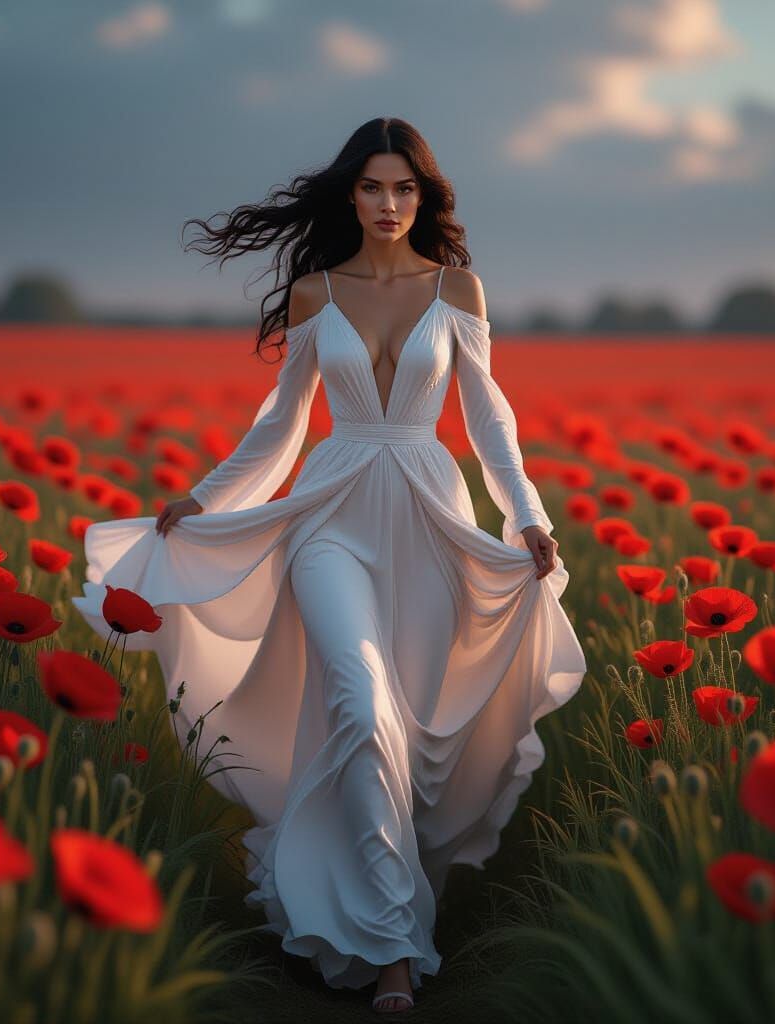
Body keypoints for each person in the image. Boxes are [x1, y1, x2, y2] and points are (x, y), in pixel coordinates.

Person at [73, 116, 586, 1015]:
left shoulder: (457, 290)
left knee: (409, 728)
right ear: (348, 194)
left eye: (404, 189)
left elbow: (490, 420)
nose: (388, 205)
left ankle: (387, 897)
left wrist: (528, 518)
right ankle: (393, 953)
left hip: (431, 515)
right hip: (333, 512)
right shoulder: (316, 294)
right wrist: (205, 499)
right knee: (357, 695)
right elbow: (283, 426)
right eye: (372, 187)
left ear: (423, 198)